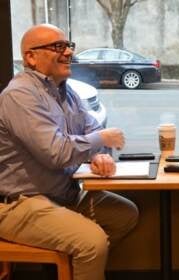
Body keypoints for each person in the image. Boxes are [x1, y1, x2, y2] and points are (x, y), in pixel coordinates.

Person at [0, 24, 138, 280]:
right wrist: (101, 139)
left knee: (125, 215)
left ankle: (76, 272)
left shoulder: (66, 90)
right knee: (91, 242)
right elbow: (56, 153)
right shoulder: (20, 95)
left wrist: (99, 154)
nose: (68, 53)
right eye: (57, 47)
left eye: (68, 45)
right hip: (22, 202)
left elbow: (91, 128)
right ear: (31, 57)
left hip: (65, 195)